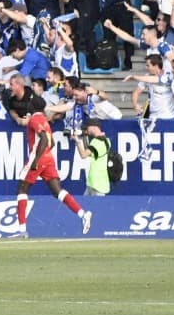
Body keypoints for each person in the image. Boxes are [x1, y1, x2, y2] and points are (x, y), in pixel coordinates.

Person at [6, 75, 92, 237]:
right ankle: (83, 214)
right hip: (48, 158)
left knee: (21, 189)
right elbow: (50, 142)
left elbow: (45, 139)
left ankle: (21, 229)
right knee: (57, 191)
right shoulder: (44, 120)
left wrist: (36, 160)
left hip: (38, 157)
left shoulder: (34, 119)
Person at [75, 121, 113, 197]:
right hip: (96, 183)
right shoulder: (107, 141)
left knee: (96, 208)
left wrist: (77, 141)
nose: (87, 131)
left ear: (94, 127)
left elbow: (83, 155)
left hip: (96, 184)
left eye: (87, 128)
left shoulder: (96, 142)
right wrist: (84, 137)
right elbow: (90, 152)